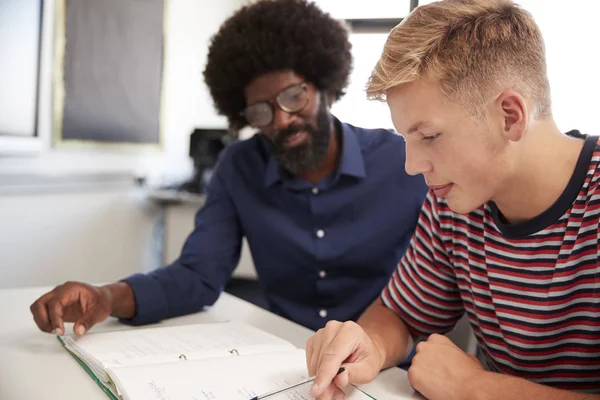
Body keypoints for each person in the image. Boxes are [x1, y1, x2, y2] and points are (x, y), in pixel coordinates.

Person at [29, 0, 427, 338]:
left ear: (326, 84)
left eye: (294, 96)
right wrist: (106, 297)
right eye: (260, 110)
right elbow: (198, 275)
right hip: (288, 366)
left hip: (386, 372)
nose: (281, 119)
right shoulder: (239, 166)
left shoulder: (404, 163)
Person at [306, 0, 600, 399]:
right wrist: (370, 344)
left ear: (510, 116)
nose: (411, 166)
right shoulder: (456, 201)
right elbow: (401, 315)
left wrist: (477, 388)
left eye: (428, 137)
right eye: (406, 139)